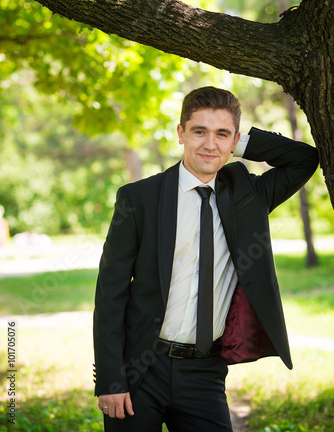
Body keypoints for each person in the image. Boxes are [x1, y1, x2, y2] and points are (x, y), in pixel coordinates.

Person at [93, 86, 318, 431]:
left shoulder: (249, 197)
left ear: (234, 140)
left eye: (221, 134)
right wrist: (110, 379)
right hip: (140, 367)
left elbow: (304, 158)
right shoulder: (139, 198)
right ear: (181, 133)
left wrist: (241, 142)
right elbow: (111, 293)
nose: (210, 145)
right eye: (199, 131)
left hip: (204, 371)